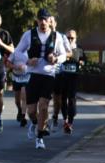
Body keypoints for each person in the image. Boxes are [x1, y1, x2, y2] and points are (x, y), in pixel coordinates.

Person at [11, 8, 70, 150]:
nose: (43, 22)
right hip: (33, 75)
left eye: (45, 19)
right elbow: (17, 51)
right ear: (37, 20)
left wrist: (56, 58)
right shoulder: (29, 35)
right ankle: (36, 123)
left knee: (43, 105)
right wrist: (27, 60)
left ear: (50, 20)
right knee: (31, 111)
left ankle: (39, 138)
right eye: (40, 19)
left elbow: (64, 55)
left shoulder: (57, 37)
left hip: (48, 75)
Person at [59, 29, 84, 134]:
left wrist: (82, 62)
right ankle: (65, 119)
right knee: (63, 99)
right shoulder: (61, 48)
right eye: (68, 37)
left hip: (73, 78)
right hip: (62, 77)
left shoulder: (79, 49)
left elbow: (84, 59)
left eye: (72, 38)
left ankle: (70, 123)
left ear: (75, 38)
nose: (69, 40)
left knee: (72, 100)